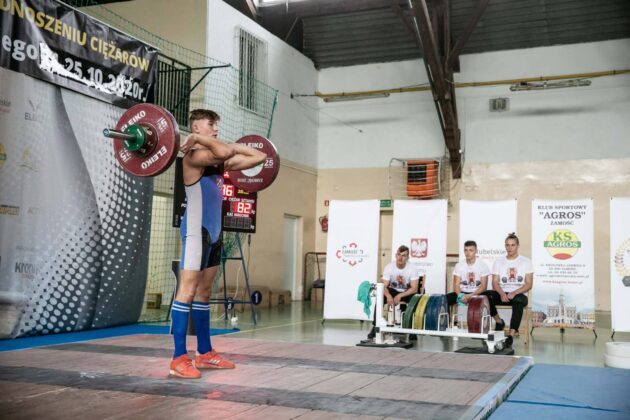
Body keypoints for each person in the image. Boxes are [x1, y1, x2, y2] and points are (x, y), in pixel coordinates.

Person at [170, 109, 267, 379]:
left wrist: (232, 144)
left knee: (204, 291)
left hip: (213, 234)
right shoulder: (193, 157)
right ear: (197, 127)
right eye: (211, 125)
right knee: (187, 291)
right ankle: (178, 358)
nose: (215, 128)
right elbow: (222, 153)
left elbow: (260, 157)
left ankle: (204, 353)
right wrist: (199, 141)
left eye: (216, 125)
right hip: (195, 232)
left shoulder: (218, 161)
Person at [483, 233, 533, 348]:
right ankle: (499, 321)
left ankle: (511, 334)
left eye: (512, 245)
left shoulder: (526, 261)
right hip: (502, 293)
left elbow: (529, 284)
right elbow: (495, 282)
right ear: (505, 246)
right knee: (485, 295)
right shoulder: (499, 261)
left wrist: (514, 293)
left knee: (519, 301)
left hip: (518, 294)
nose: (509, 248)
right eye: (507, 245)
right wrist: (501, 293)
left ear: (517, 246)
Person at [367, 245, 422, 339]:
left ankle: (412, 330)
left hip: (406, 291)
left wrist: (400, 295)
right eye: (399, 254)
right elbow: (383, 285)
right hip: (393, 291)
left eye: (404, 255)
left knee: (415, 298)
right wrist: (388, 295)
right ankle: (376, 326)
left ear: (408, 257)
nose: (400, 257)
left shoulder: (412, 268)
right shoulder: (389, 267)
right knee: (380, 296)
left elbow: (414, 288)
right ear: (396, 255)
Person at [446, 240, 490, 319]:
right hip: (462, 293)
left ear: (476, 251)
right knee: (445, 299)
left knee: (489, 298)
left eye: (471, 250)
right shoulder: (459, 265)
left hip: (477, 293)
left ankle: (498, 322)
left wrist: (470, 296)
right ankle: (447, 324)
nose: (468, 253)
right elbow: (456, 285)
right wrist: (461, 296)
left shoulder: (483, 266)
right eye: (466, 250)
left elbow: (483, 287)